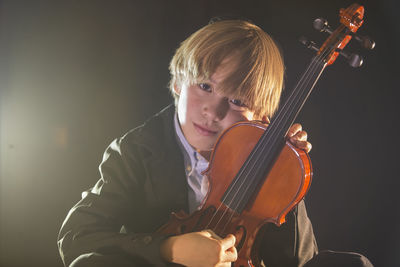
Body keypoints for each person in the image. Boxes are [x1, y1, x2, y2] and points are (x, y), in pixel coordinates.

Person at [57, 19, 372, 267]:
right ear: (179, 82)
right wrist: (171, 248)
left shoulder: (261, 151)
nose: (213, 111)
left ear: (260, 116)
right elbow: (77, 238)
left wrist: (283, 165)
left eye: (236, 100)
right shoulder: (136, 150)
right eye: (204, 85)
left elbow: (300, 261)